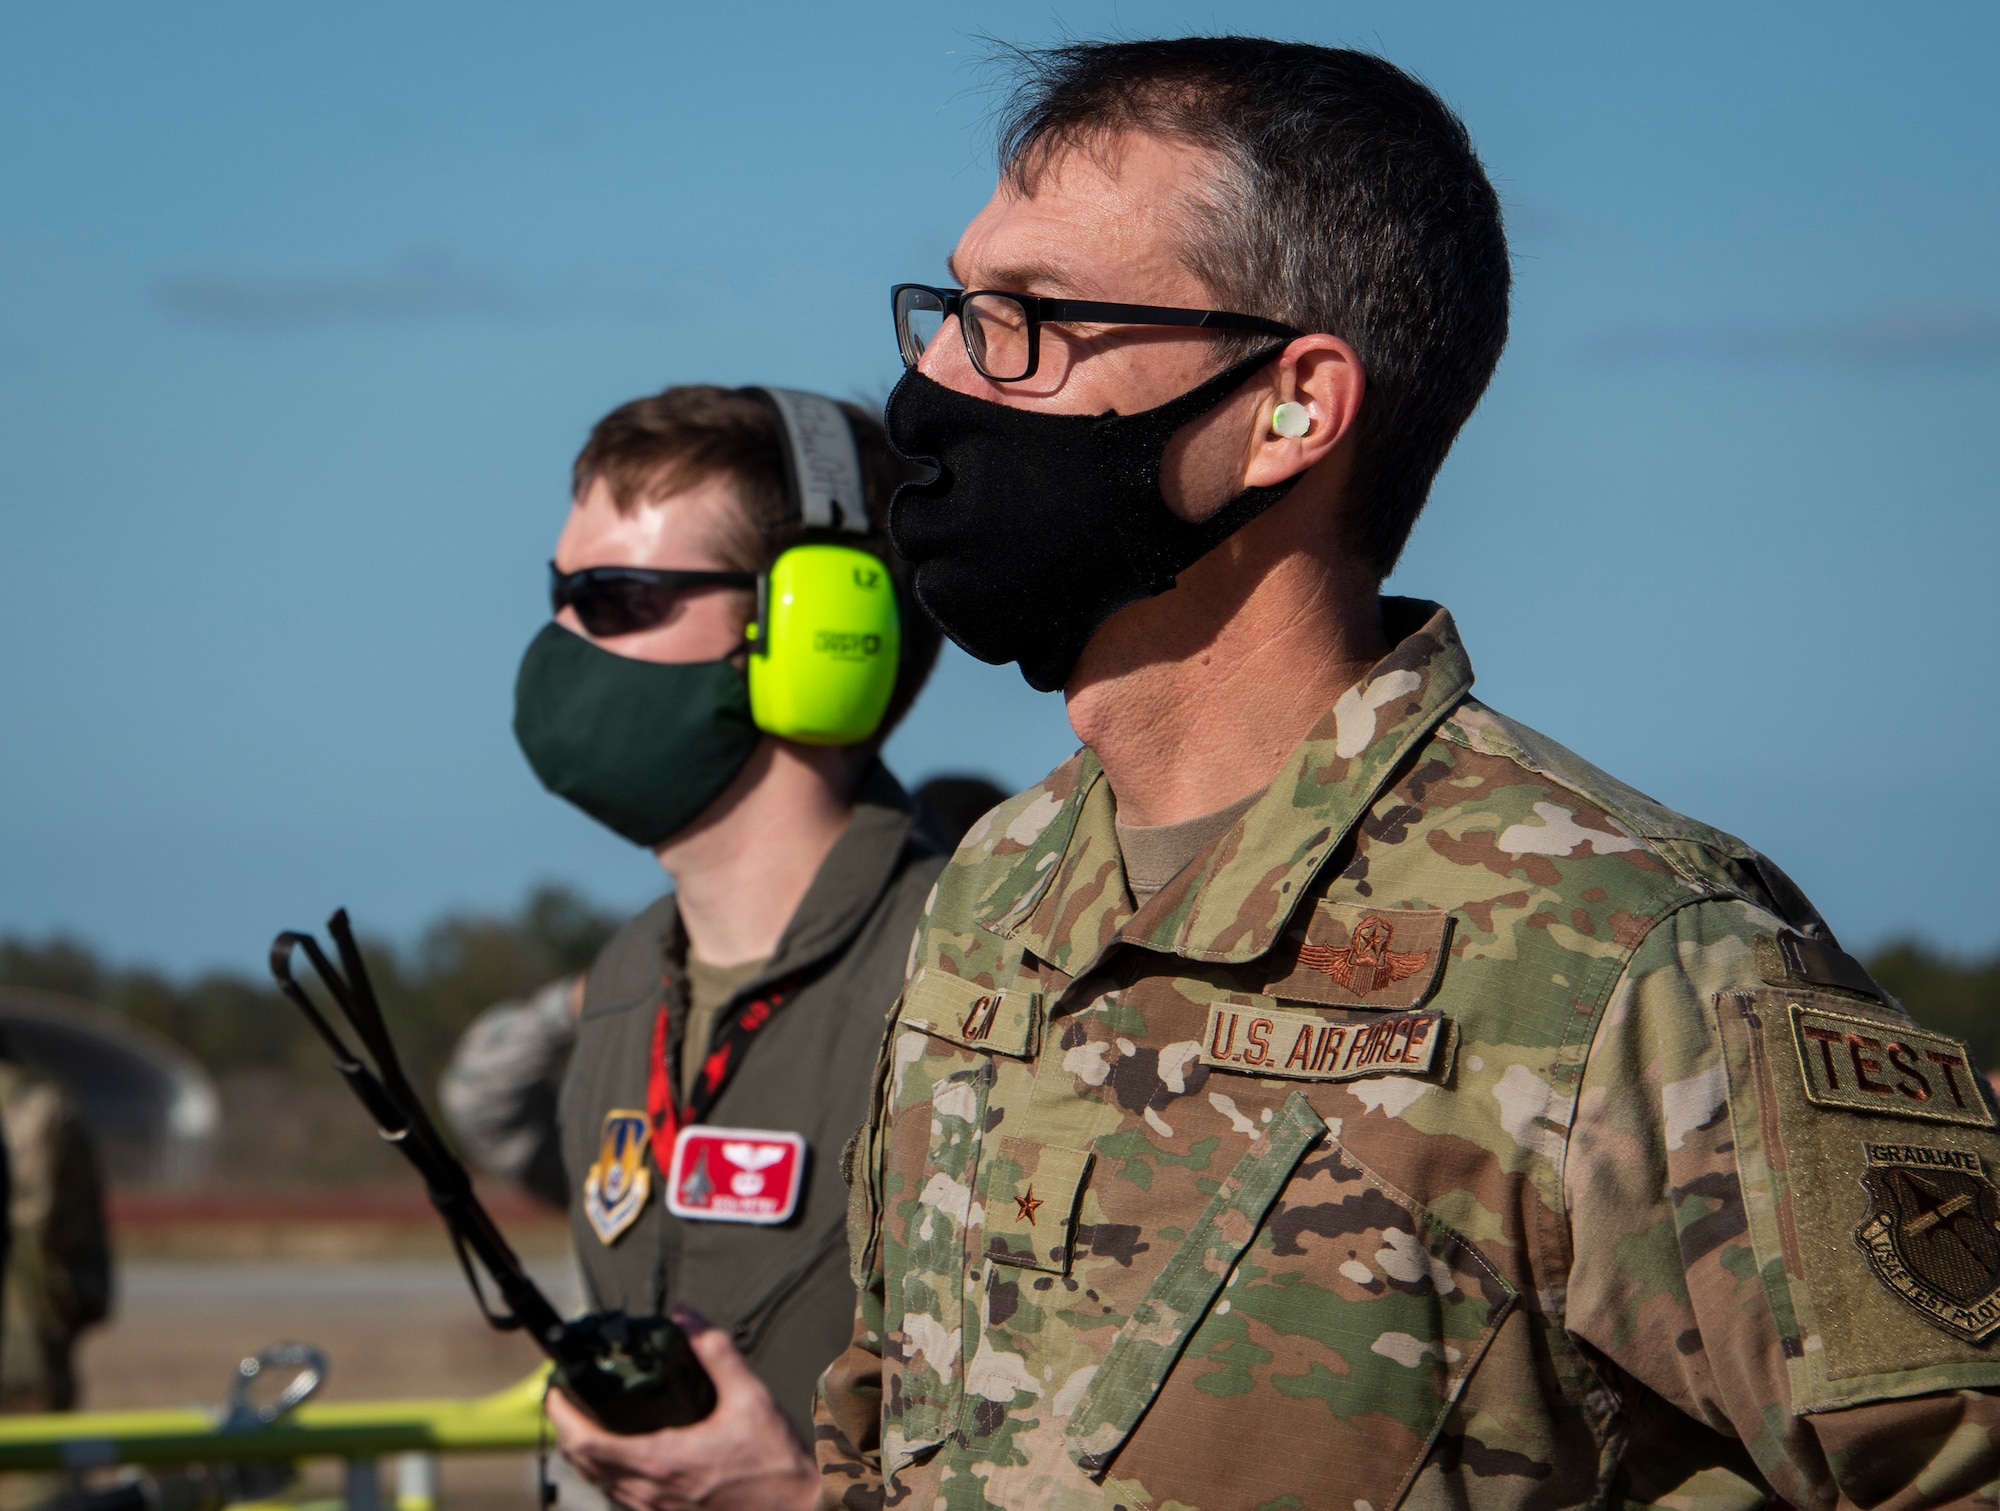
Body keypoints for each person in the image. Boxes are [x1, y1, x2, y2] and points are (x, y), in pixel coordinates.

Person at [817, 37, 2000, 1510]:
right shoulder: (993, 890)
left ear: (1292, 407)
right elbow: (885, 1423)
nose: (933, 384)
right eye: (951, 309)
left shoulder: (1628, 958)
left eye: (1031, 318)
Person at [515, 385, 945, 1510]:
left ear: (814, 630)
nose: (558, 643)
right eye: (558, 595)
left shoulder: (967, 979)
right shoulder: (623, 983)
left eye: (615, 598)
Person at [0, 1047, 108, 1413]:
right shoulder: (39, 1107)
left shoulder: (35, 1111)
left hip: (24, 1332)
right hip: (32, 1327)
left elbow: (36, 1228)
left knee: (35, 1448)